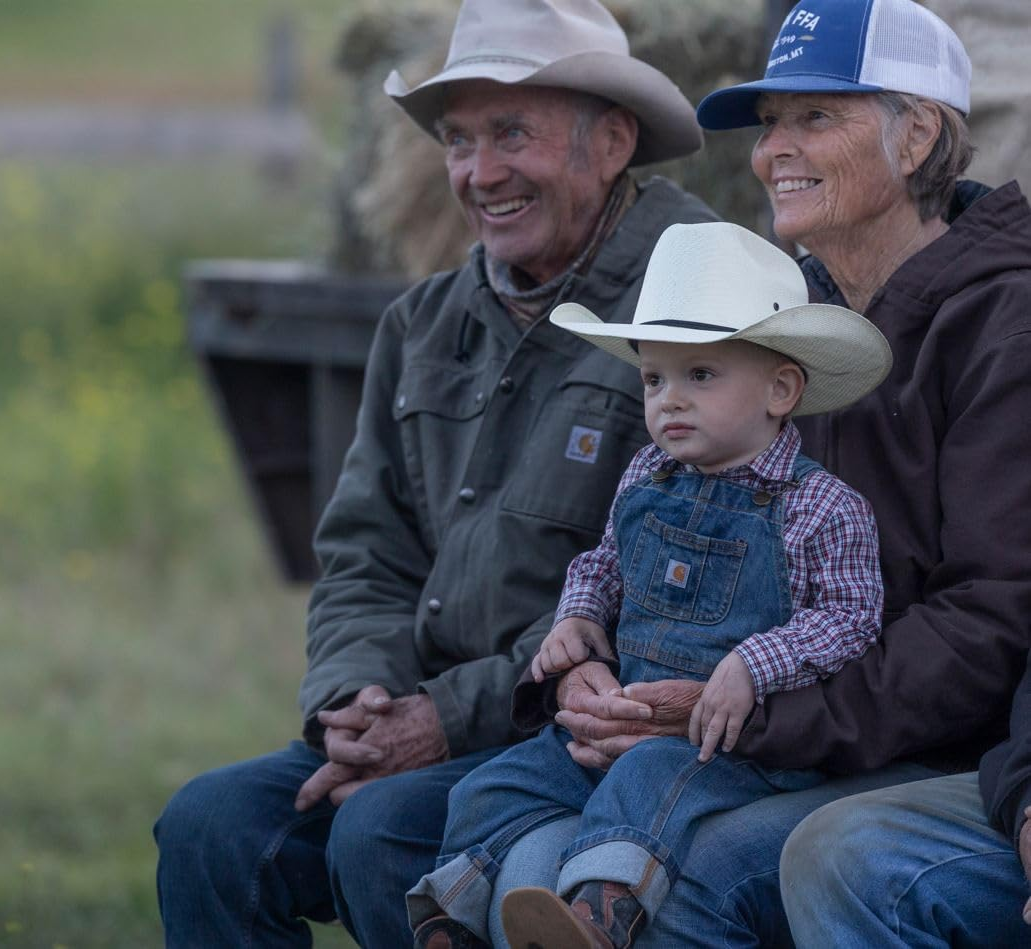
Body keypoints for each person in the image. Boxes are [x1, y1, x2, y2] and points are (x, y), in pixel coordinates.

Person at [152, 0, 715, 945]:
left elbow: (663, 590)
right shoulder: (421, 323)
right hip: (421, 722)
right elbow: (365, 550)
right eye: (458, 141)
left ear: (612, 140)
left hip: (575, 733)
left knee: (379, 830)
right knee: (208, 826)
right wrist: (355, 699)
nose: (479, 174)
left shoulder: (691, 301)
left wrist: (444, 719)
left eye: (510, 134)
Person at [496, 0, 1031, 945]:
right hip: (765, 723)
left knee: (693, 878)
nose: (770, 149)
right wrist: (597, 661)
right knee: (528, 864)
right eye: (768, 122)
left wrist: (742, 715)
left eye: (812, 118)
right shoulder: (786, 307)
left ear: (915, 137)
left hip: (920, 746)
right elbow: (673, 535)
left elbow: (991, 615)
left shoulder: (1005, 325)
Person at [406, 220, 891, 949]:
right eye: (653, 378)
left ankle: (601, 914)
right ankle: (456, 910)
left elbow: (851, 616)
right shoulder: (644, 475)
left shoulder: (820, 505)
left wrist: (752, 663)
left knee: (647, 781)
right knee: (499, 778)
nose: (669, 400)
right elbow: (604, 562)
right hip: (623, 709)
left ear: (780, 388)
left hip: (729, 750)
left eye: (700, 375)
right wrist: (574, 621)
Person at [777, 649, 1031, 946]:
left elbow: (964, 645)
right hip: (1004, 778)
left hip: (941, 749)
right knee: (832, 853)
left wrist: (766, 717)